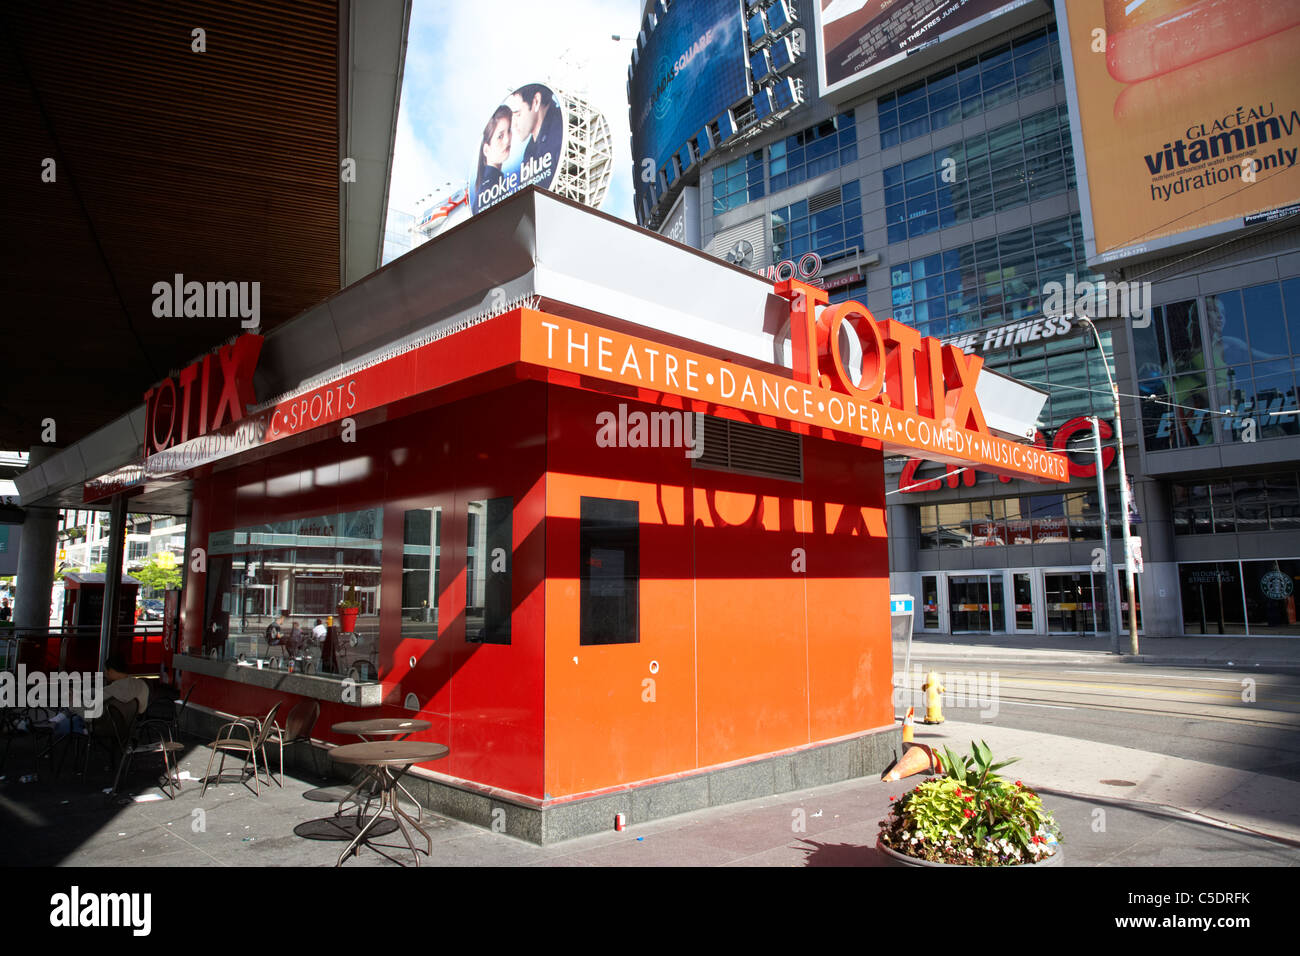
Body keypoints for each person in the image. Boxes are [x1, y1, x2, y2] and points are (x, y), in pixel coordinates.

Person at [507, 83, 562, 181]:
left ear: (536, 101)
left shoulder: (562, 128)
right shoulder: (529, 151)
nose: (513, 125)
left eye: (518, 114)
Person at [474, 105, 512, 211]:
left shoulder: (491, 184)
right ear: (486, 149)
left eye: (509, 130)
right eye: (500, 136)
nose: (507, 140)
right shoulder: (490, 190)